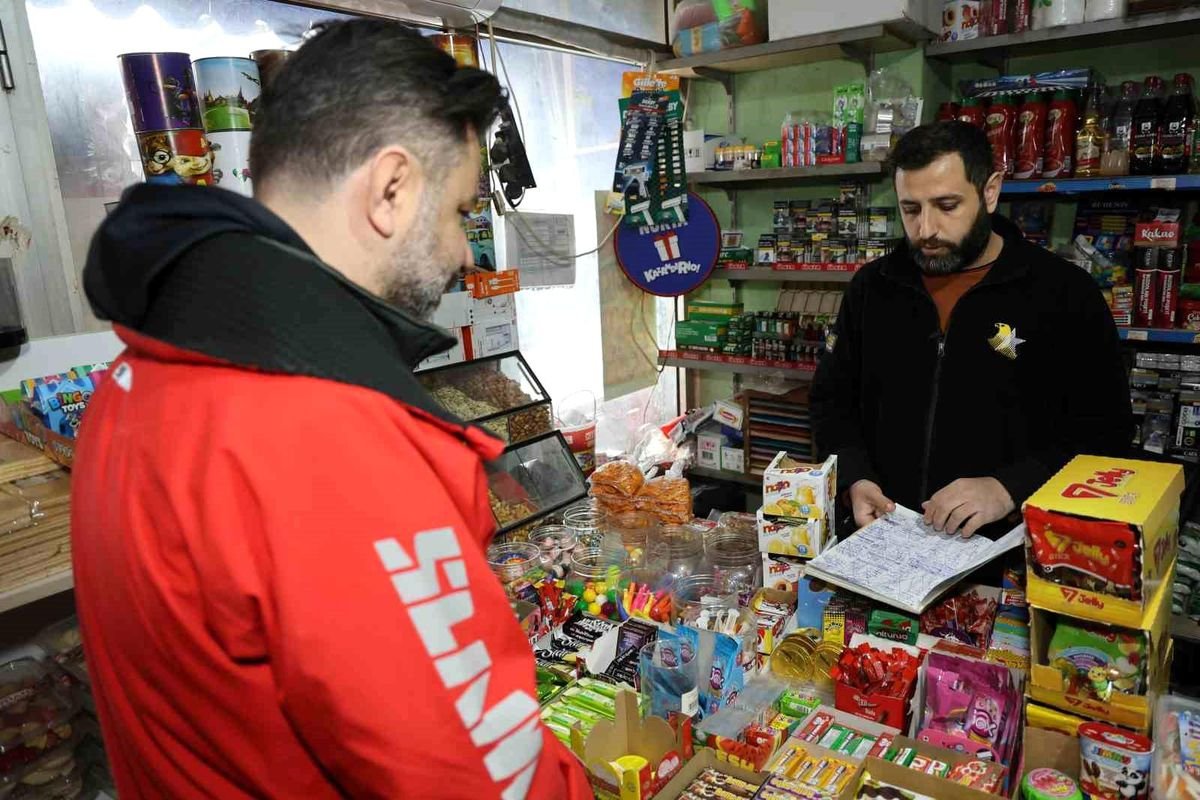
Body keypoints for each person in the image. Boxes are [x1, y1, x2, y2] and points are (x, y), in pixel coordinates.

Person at [72, 20, 590, 800]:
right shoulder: (330, 435)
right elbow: (476, 778)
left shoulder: (142, 366)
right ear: (391, 188)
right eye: (457, 212)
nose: (463, 253)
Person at [810, 121, 1133, 540]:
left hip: (1005, 552)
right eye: (910, 209)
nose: (926, 229)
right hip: (883, 541)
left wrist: (1010, 488)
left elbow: (1107, 434)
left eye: (947, 206)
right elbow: (831, 401)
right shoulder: (873, 288)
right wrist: (855, 477)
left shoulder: (1063, 293)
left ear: (990, 192)